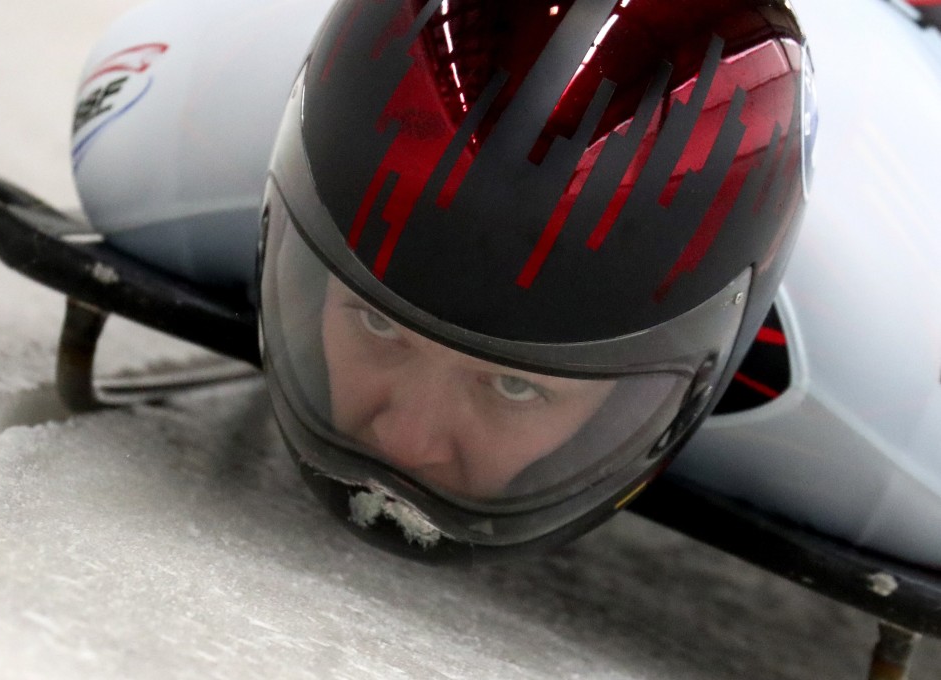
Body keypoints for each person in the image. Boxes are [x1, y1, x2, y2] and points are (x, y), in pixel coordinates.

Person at [72, 0, 811, 559]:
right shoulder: (157, 133)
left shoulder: (890, 416)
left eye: (515, 385)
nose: (407, 441)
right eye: (376, 323)